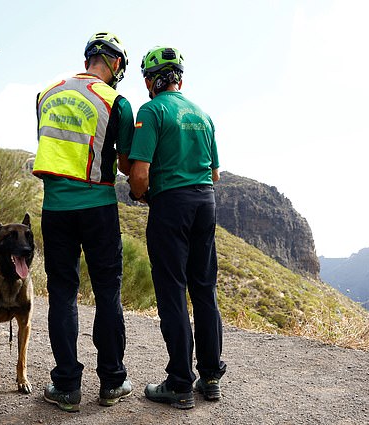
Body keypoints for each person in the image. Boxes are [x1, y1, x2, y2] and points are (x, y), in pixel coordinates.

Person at [33, 31, 134, 413]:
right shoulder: (117, 101)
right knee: (107, 292)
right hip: (99, 207)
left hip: (55, 209)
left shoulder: (47, 93)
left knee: (62, 294)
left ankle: (66, 387)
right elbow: (124, 164)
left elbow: (52, 149)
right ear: (115, 63)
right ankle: (112, 381)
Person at [128, 46, 227, 409]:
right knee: (204, 289)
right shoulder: (203, 115)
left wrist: (144, 195)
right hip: (206, 202)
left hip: (172, 203)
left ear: (151, 82)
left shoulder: (152, 111)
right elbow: (215, 173)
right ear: (180, 79)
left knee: (173, 292)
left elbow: (139, 174)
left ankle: (180, 383)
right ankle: (211, 377)